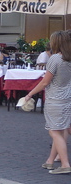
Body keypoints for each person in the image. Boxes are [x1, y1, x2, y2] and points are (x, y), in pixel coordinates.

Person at [24, 31, 71, 174]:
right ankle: (50, 161)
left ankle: (65, 164)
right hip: (67, 97)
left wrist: (30, 94)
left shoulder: (55, 59)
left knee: (54, 131)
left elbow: (45, 82)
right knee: (61, 130)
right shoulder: (68, 58)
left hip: (55, 98)